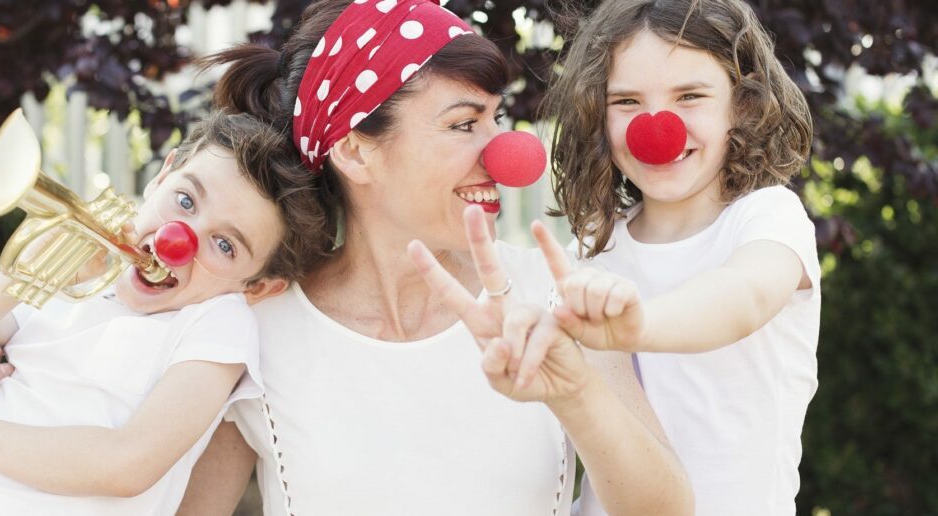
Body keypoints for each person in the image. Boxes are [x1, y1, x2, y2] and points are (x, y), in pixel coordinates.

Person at [177, 1, 693, 514]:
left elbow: (667, 508)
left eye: (497, 118)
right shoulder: (254, 329)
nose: (505, 155)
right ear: (355, 151)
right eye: (463, 125)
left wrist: (576, 394)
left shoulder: (561, 296)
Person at [0, 111, 334, 515]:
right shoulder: (75, 283)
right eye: (184, 201)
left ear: (256, 287)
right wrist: (26, 272)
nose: (178, 239)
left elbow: (128, 464)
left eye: (225, 246)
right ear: (161, 177)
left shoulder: (214, 322)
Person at [539, 0, 819, 514]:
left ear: (743, 103)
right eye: (626, 101)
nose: (657, 126)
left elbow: (744, 296)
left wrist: (636, 325)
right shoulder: (591, 248)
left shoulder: (766, 219)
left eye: (689, 96)